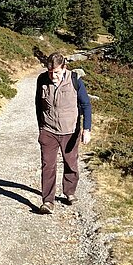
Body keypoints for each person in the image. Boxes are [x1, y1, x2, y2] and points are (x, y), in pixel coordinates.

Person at [35, 52, 92, 214]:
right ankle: (48, 201)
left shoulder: (75, 80)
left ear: (64, 68)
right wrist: (41, 127)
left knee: (71, 163)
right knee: (48, 166)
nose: (53, 75)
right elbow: (38, 104)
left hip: (70, 131)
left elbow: (86, 105)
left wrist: (86, 129)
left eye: (57, 72)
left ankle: (69, 192)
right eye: (50, 72)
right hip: (48, 130)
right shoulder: (42, 80)